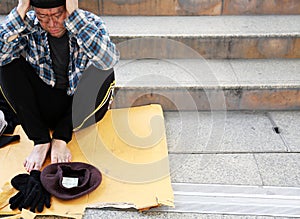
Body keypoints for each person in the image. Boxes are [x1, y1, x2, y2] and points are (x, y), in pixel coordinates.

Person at [0, 0, 120, 172]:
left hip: (80, 108)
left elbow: (108, 59)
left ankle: (61, 138)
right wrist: (20, 11)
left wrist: (75, 19)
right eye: (43, 17)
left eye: (58, 15)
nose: (52, 23)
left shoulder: (89, 22)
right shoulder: (28, 25)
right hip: (46, 105)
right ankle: (41, 141)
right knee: (6, 65)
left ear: (68, 8)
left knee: (104, 70)